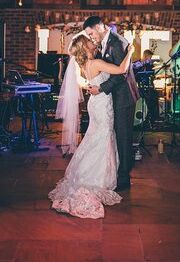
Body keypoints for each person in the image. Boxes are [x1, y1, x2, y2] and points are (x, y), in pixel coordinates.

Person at [50, 33, 134, 219]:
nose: (91, 40)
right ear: (84, 46)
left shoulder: (85, 64)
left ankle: (89, 173)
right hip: (102, 104)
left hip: (97, 103)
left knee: (96, 136)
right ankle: (97, 177)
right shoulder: (95, 63)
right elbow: (121, 69)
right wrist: (130, 52)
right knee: (103, 137)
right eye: (88, 40)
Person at [83, 16, 139, 191]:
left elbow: (121, 74)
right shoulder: (105, 42)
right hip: (113, 97)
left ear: (99, 27)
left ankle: (123, 178)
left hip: (123, 98)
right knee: (116, 135)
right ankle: (116, 172)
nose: (91, 37)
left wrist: (100, 89)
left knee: (123, 137)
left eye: (91, 33)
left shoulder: (118, 42)